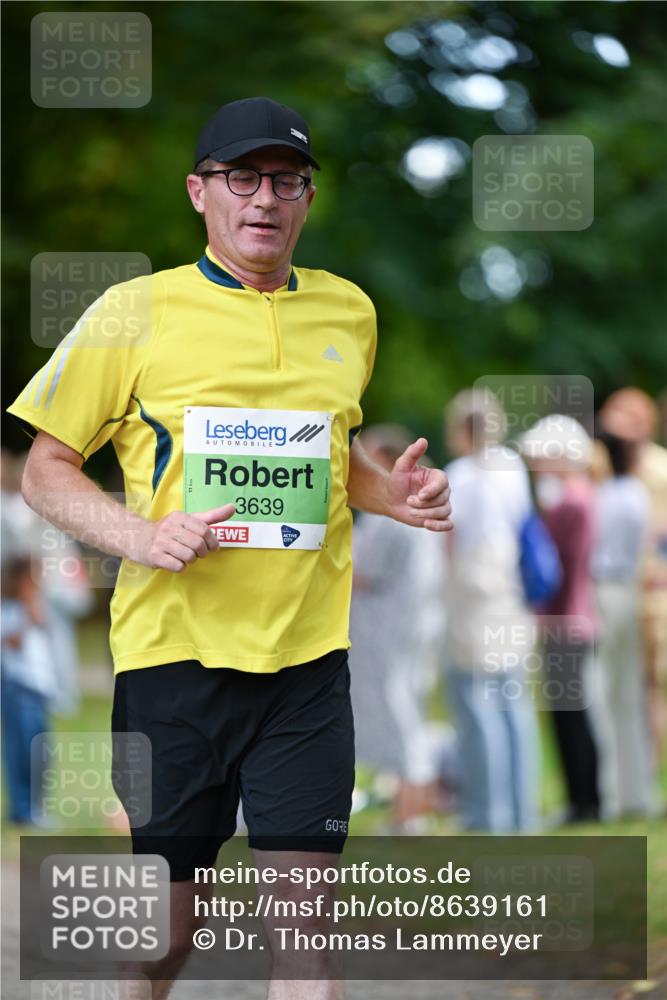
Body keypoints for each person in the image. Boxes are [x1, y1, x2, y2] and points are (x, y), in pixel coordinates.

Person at [8, 97, 452, 999]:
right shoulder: (134, 311)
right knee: (171, 930)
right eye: (241, 178)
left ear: (308, 198)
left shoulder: (348, 312)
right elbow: (46, 472)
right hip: (174, 665)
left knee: (305, 935)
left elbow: (331, 455)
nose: (264, 199)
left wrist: (393, 494)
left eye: (286, 181)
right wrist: (140, 534)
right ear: (198, 192)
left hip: (306, 667)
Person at [443, 389, 540, 833]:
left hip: (472, 590)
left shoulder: (460, 475)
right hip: (509, 588)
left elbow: (448, 537)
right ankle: (522, 813)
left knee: (476, 707)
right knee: (514, 704)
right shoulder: (512, 466)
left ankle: (487, 814)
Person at [349, 425, 453, 831]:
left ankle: (411, 814)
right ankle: (406, 811)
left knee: (401, 717)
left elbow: (365, 572)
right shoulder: (419, 503)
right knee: (410, 712)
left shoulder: (391, 515)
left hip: (392, 629)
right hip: (417, 624)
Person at [519, 415, 600, 823]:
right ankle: (584, 799)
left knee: (569, 716)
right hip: (576, 617)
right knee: (572, 713)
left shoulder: (569, 502)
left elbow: (556, 568)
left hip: (564, 620)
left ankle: (583, 802)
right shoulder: (581, 494)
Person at [589, 429, 658, 817]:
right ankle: (638, 793)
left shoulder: (603, 496)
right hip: (629, 591)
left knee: (605, 695)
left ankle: (612, 794)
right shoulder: (635, 492)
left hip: (605, 590)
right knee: (629, 696)